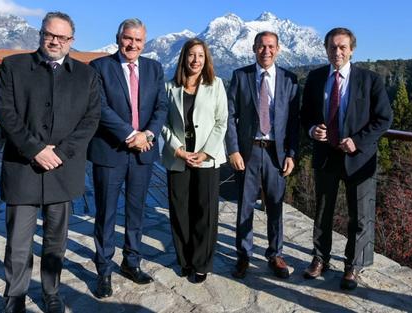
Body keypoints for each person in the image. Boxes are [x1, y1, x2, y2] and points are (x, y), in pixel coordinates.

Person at [0, 11, 100, 313]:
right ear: (40, 34)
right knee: (18, 241)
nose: (55, 41)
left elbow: (90, 120)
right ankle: (14, 296)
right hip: (22, 168)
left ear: (71, 41)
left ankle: (51, 292)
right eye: (49, 34)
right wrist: (36, 149)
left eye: (62, 37)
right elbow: (6, 113)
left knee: (56, 240)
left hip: (62, 170)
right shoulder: (14, 67)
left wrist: (60, 153)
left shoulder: (87, 75)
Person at [300, 27, 393, 290]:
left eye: (342, 47)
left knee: (360, 215)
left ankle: (353, 265)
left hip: (359, 158)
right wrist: (311, 129)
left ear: (352, 49)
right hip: (326, 156)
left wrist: (358, 140)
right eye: (332, 47)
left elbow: (384, 118)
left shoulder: (370, 80)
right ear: (326, 49)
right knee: (322, 212)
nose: (337, 52)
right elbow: (305, 114)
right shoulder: (316, 78)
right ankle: (320, 259)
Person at [88, 18, 168, 298]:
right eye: (128, 38)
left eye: (138, 40)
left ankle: (131, 263)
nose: (132, 44)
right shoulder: (99, 67)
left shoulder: (155, 68)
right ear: (118, 37)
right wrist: (130, 134)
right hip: (110, 151)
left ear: (144, 43)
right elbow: (99, 107)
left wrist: (147, 135)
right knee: (106, 214)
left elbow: (162, 106)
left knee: (137, 213)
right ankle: (104, 270)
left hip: (143, 153)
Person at [225, 31, 299, 279]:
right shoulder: (240, 76)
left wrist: (291, 153)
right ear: (254, 48)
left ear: (278, 49)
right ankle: (244, 255)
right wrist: (233, 149)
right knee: (245, 206)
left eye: (270, 46)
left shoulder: (290, 79)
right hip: (248, 152)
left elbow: (294, 123)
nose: (266, 51)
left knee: (276, 206)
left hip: (277, 154)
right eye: (261, 46)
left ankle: (275, 254)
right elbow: (230, 116)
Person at [161, 38, 228, 283]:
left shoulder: (216, 85)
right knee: (180, 211)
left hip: (206, 159)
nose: (196, 60)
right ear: (183, 58)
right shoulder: (170, 87)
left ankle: (201, 262)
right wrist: (177, 149)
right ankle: (184, 259)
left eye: (200, 55)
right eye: (191, 55)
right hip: (179, 158)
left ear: (206, 59)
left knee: (204, 212)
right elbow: (163, 123)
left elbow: (222, 122)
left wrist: (207, 152)